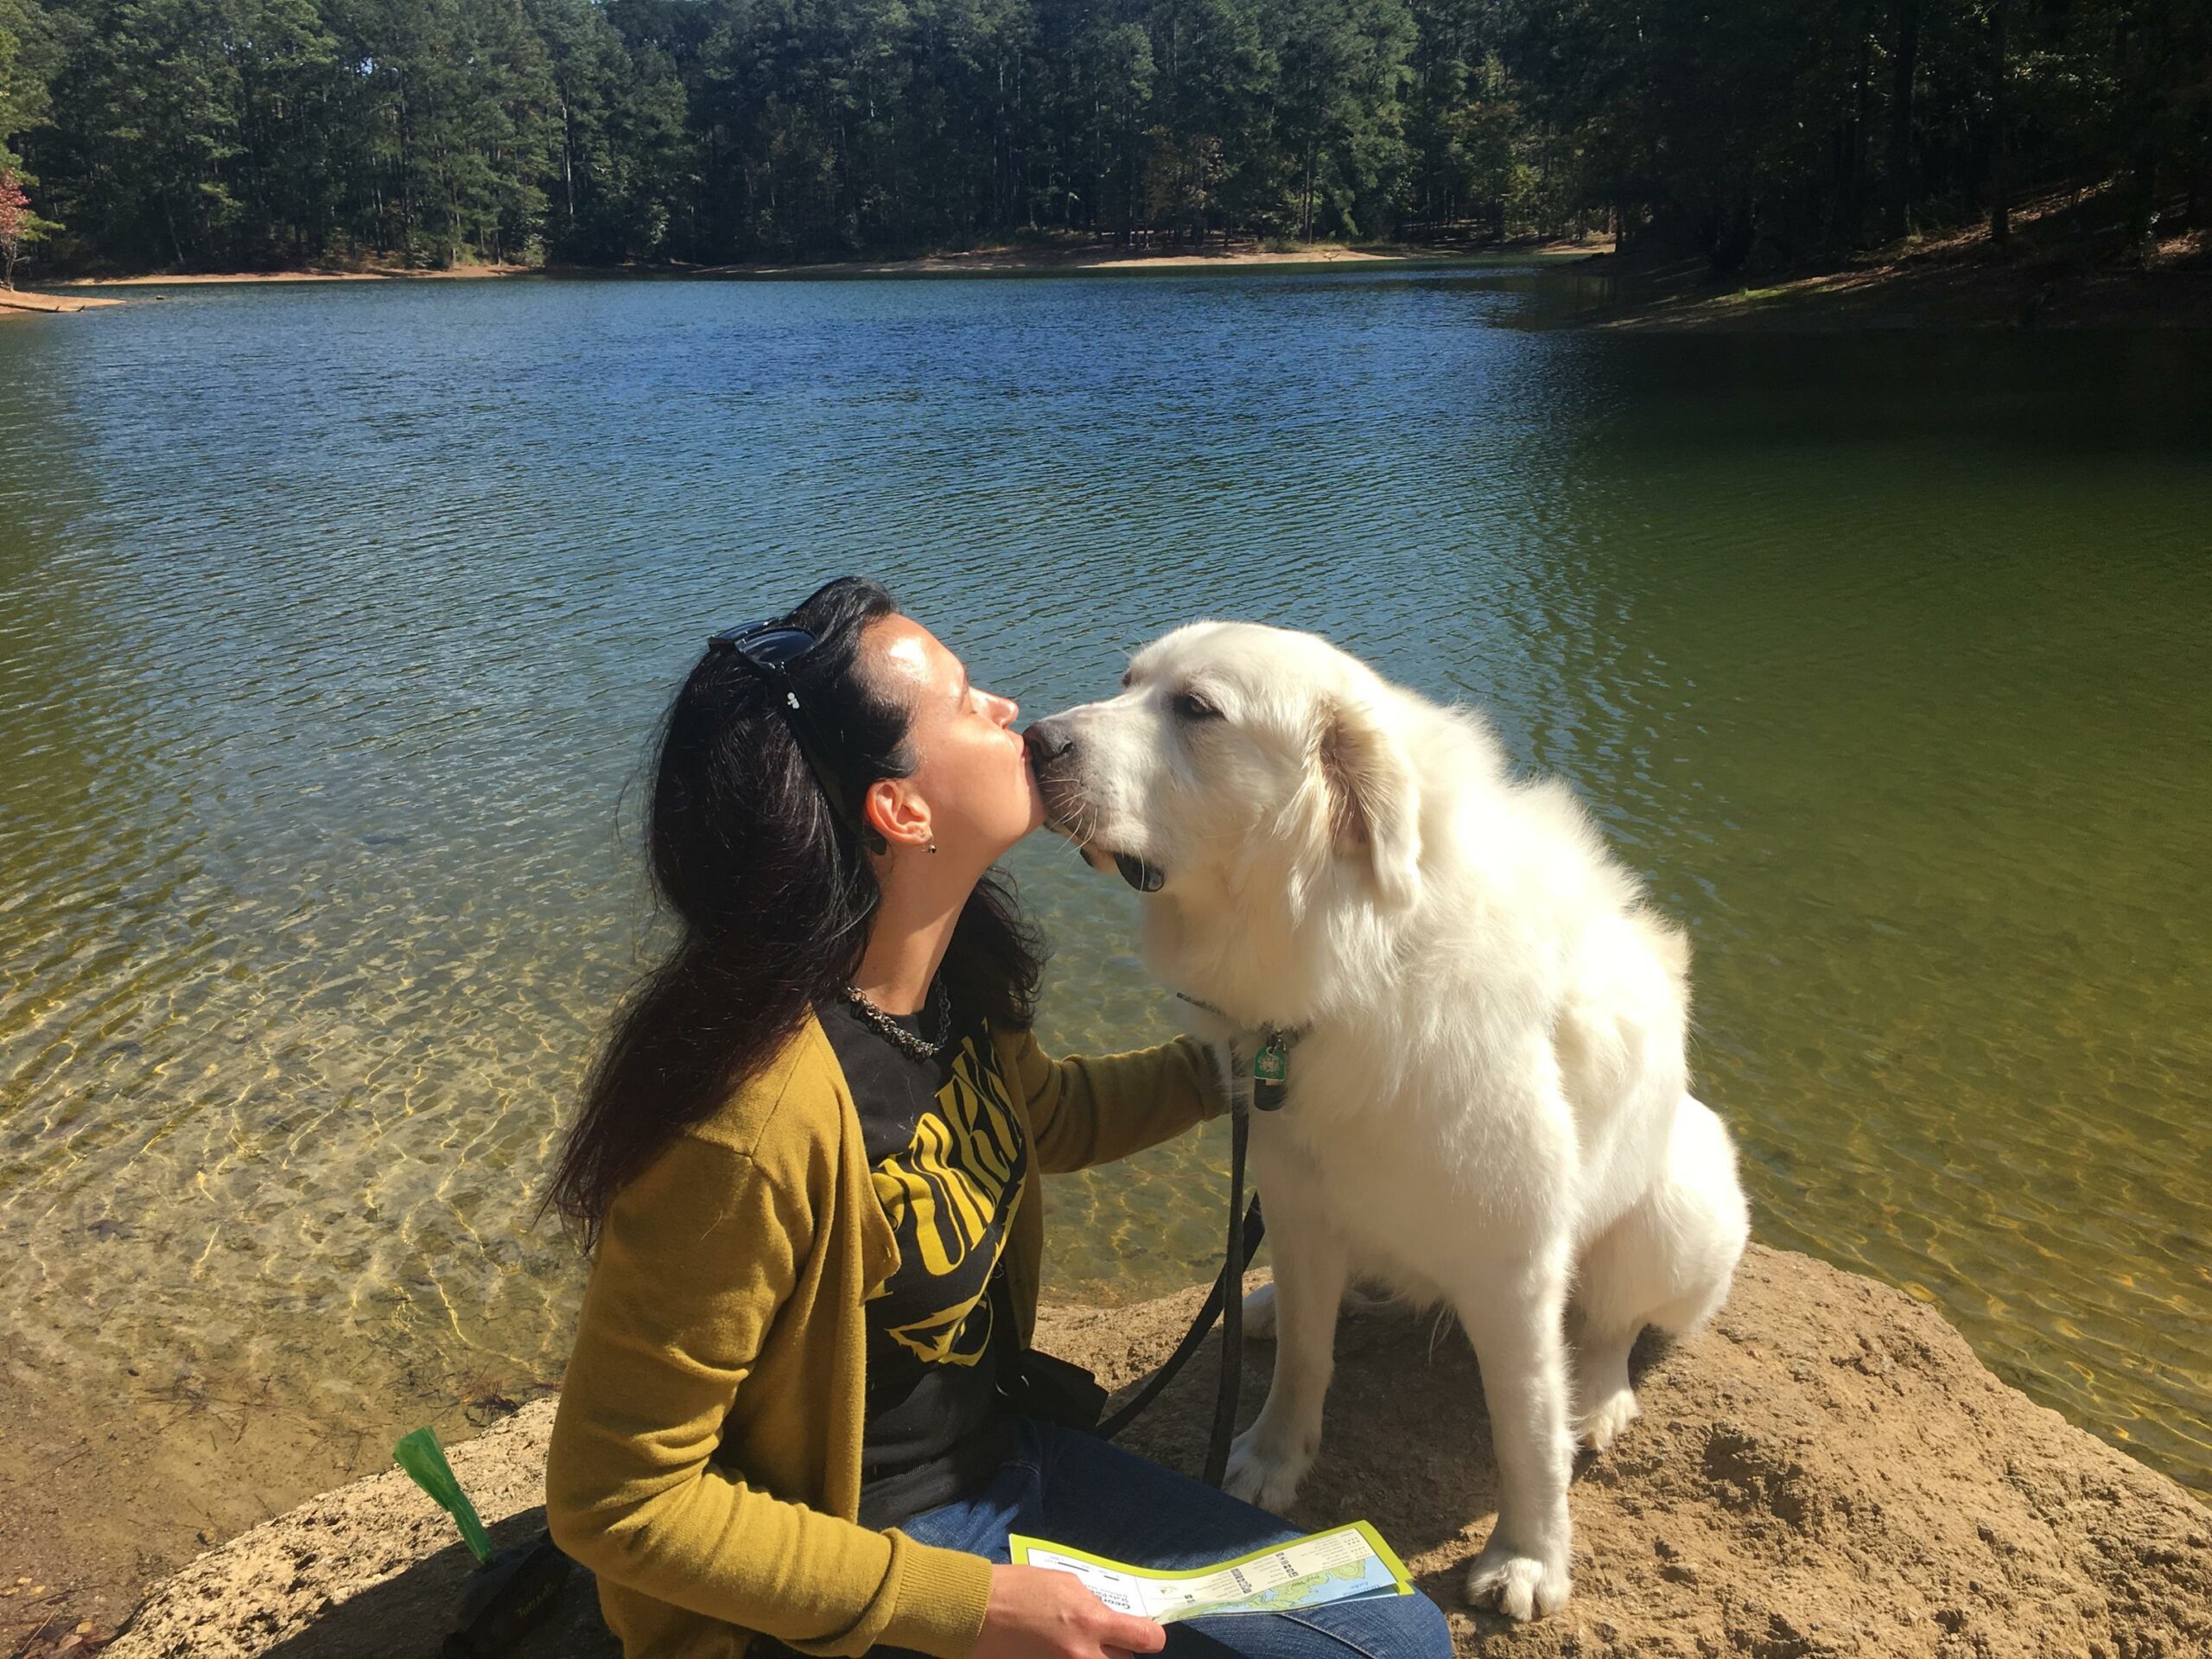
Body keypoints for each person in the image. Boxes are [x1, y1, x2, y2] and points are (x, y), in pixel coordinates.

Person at [541, 576, 1454, 1659]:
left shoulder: (947, 991)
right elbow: (614, 1501)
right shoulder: (748, 1125)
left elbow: (1050, 1119)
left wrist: (1252, 1058)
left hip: (1000, 1463)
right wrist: (966, 1612)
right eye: (964, 701)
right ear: (900, 809)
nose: (1009, 711)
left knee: (1390, 1628)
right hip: (844, 1567)